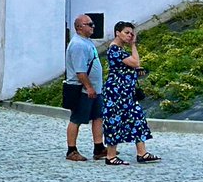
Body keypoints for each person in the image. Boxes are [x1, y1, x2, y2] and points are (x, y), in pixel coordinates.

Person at [102, 21, 160, 166]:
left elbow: (135, 65)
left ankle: (142, 153)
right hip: (116, 92)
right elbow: (135, 62)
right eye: (127, 33)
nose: (130, 36)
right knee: (114, 120)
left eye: (131, 33)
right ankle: (111, 156)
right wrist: (134, 45)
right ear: (117, 33)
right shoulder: (115, 49)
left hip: (127, 92)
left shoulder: (121, 50)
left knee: (137, 118)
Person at [64, 14, 107, 162]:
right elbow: (80, 71)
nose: (93, 26)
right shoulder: (78, 45)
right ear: (79, 27)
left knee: (98, 117)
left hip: (95, 88)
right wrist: (88, 87)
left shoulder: (87, 42)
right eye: (89, 24)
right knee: (76, 118)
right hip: (82, 89)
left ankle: (99, 147)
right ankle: (71, 150)